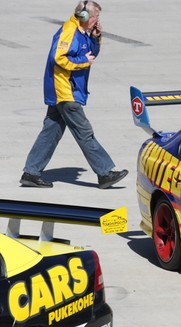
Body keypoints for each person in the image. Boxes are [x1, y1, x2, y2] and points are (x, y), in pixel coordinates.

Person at [20, 1, 127, 189]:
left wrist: (96, 37)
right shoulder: (69, 31)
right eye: (96, 17)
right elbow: (57, 57)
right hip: (65, 92)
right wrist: (81, 62)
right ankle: (104, 173)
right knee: (84, 132)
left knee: (51, 131)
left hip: (68, 90)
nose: (97, 21)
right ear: (84, 16)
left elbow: (91, 55)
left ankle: (31, 172)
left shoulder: (82, 33)